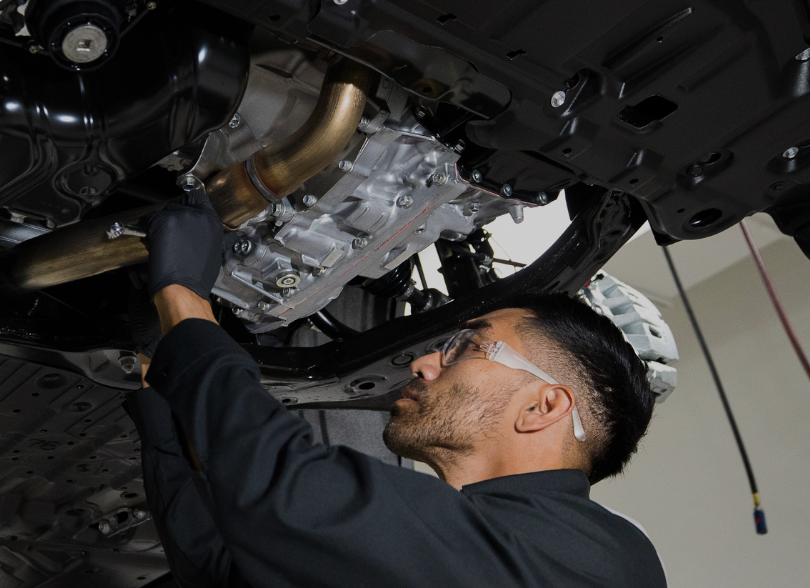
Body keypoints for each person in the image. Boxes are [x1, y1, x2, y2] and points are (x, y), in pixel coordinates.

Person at [121, 188, 668, 587]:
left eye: (468, 347)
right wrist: (160, 388)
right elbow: (223, 572)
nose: (426, 363)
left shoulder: (606, 565)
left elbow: (294, 497)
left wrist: (184, 300)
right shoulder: (484, 553)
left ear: (544, 404)